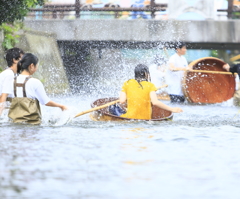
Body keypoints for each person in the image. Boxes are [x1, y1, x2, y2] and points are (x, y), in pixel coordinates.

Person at [8, 53, 67, 124]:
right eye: (37, 65)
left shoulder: (10, 81)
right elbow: (46, 102)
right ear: (32, 66)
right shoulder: (35, 82)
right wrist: (61, 106)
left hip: (13, 123)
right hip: (31, 124)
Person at [119, 64, 183, 120]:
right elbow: (155, 102)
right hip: (145, 119)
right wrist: (171, 109)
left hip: (129, 117)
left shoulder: (127, 83)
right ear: (146, 74)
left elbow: (122, 101)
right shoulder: (150, 86)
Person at [0, 47, 25, 115]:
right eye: (22, 59)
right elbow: (3, 96)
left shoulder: (8, 73)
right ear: (14, 60)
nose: (24, 62)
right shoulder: (9, 74)